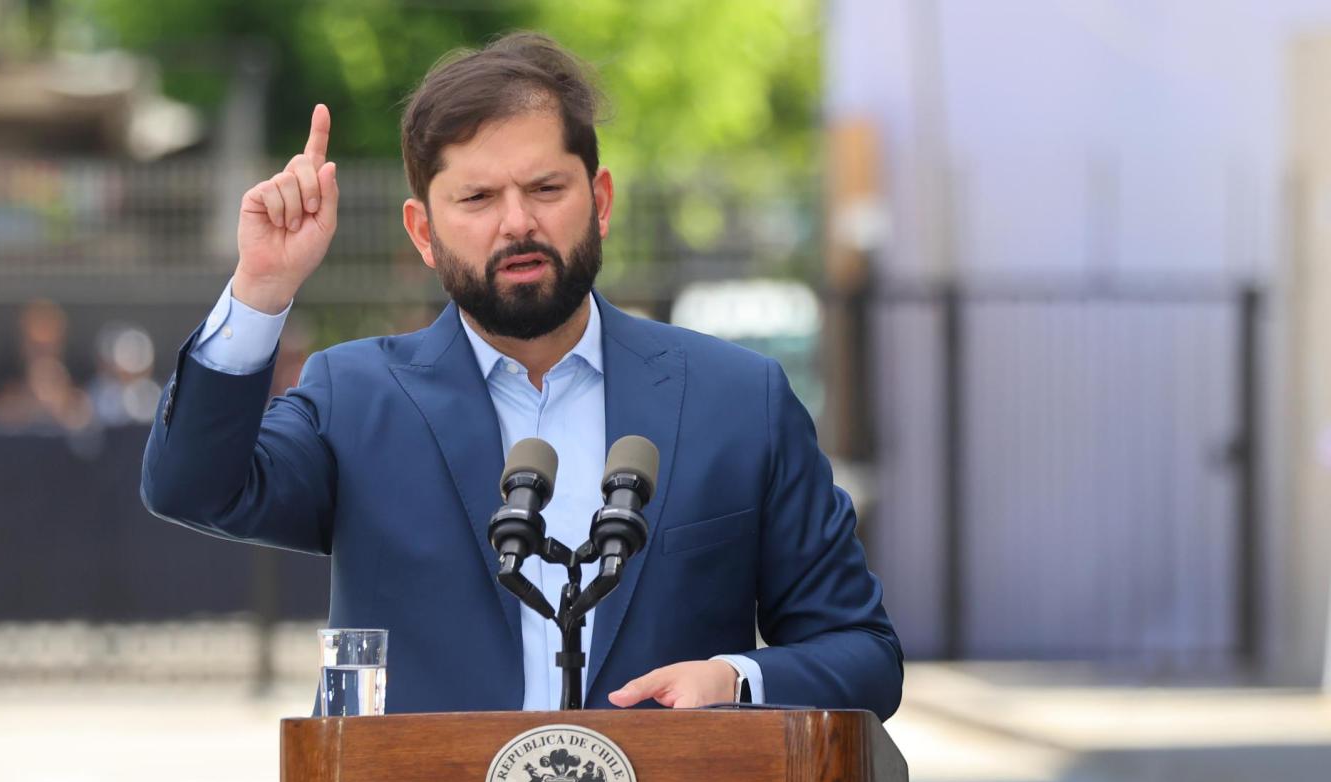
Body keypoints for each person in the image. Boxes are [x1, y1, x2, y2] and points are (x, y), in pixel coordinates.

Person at [141, 32, 902, 716]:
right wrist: (261, 289)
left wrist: (733, 679)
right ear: (423, 232)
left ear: (599, 202)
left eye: (545, 189)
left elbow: (863, 654)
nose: (516, 223)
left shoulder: (736, 401)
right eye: (476, 198)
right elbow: (190, 487)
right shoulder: (356, 396)